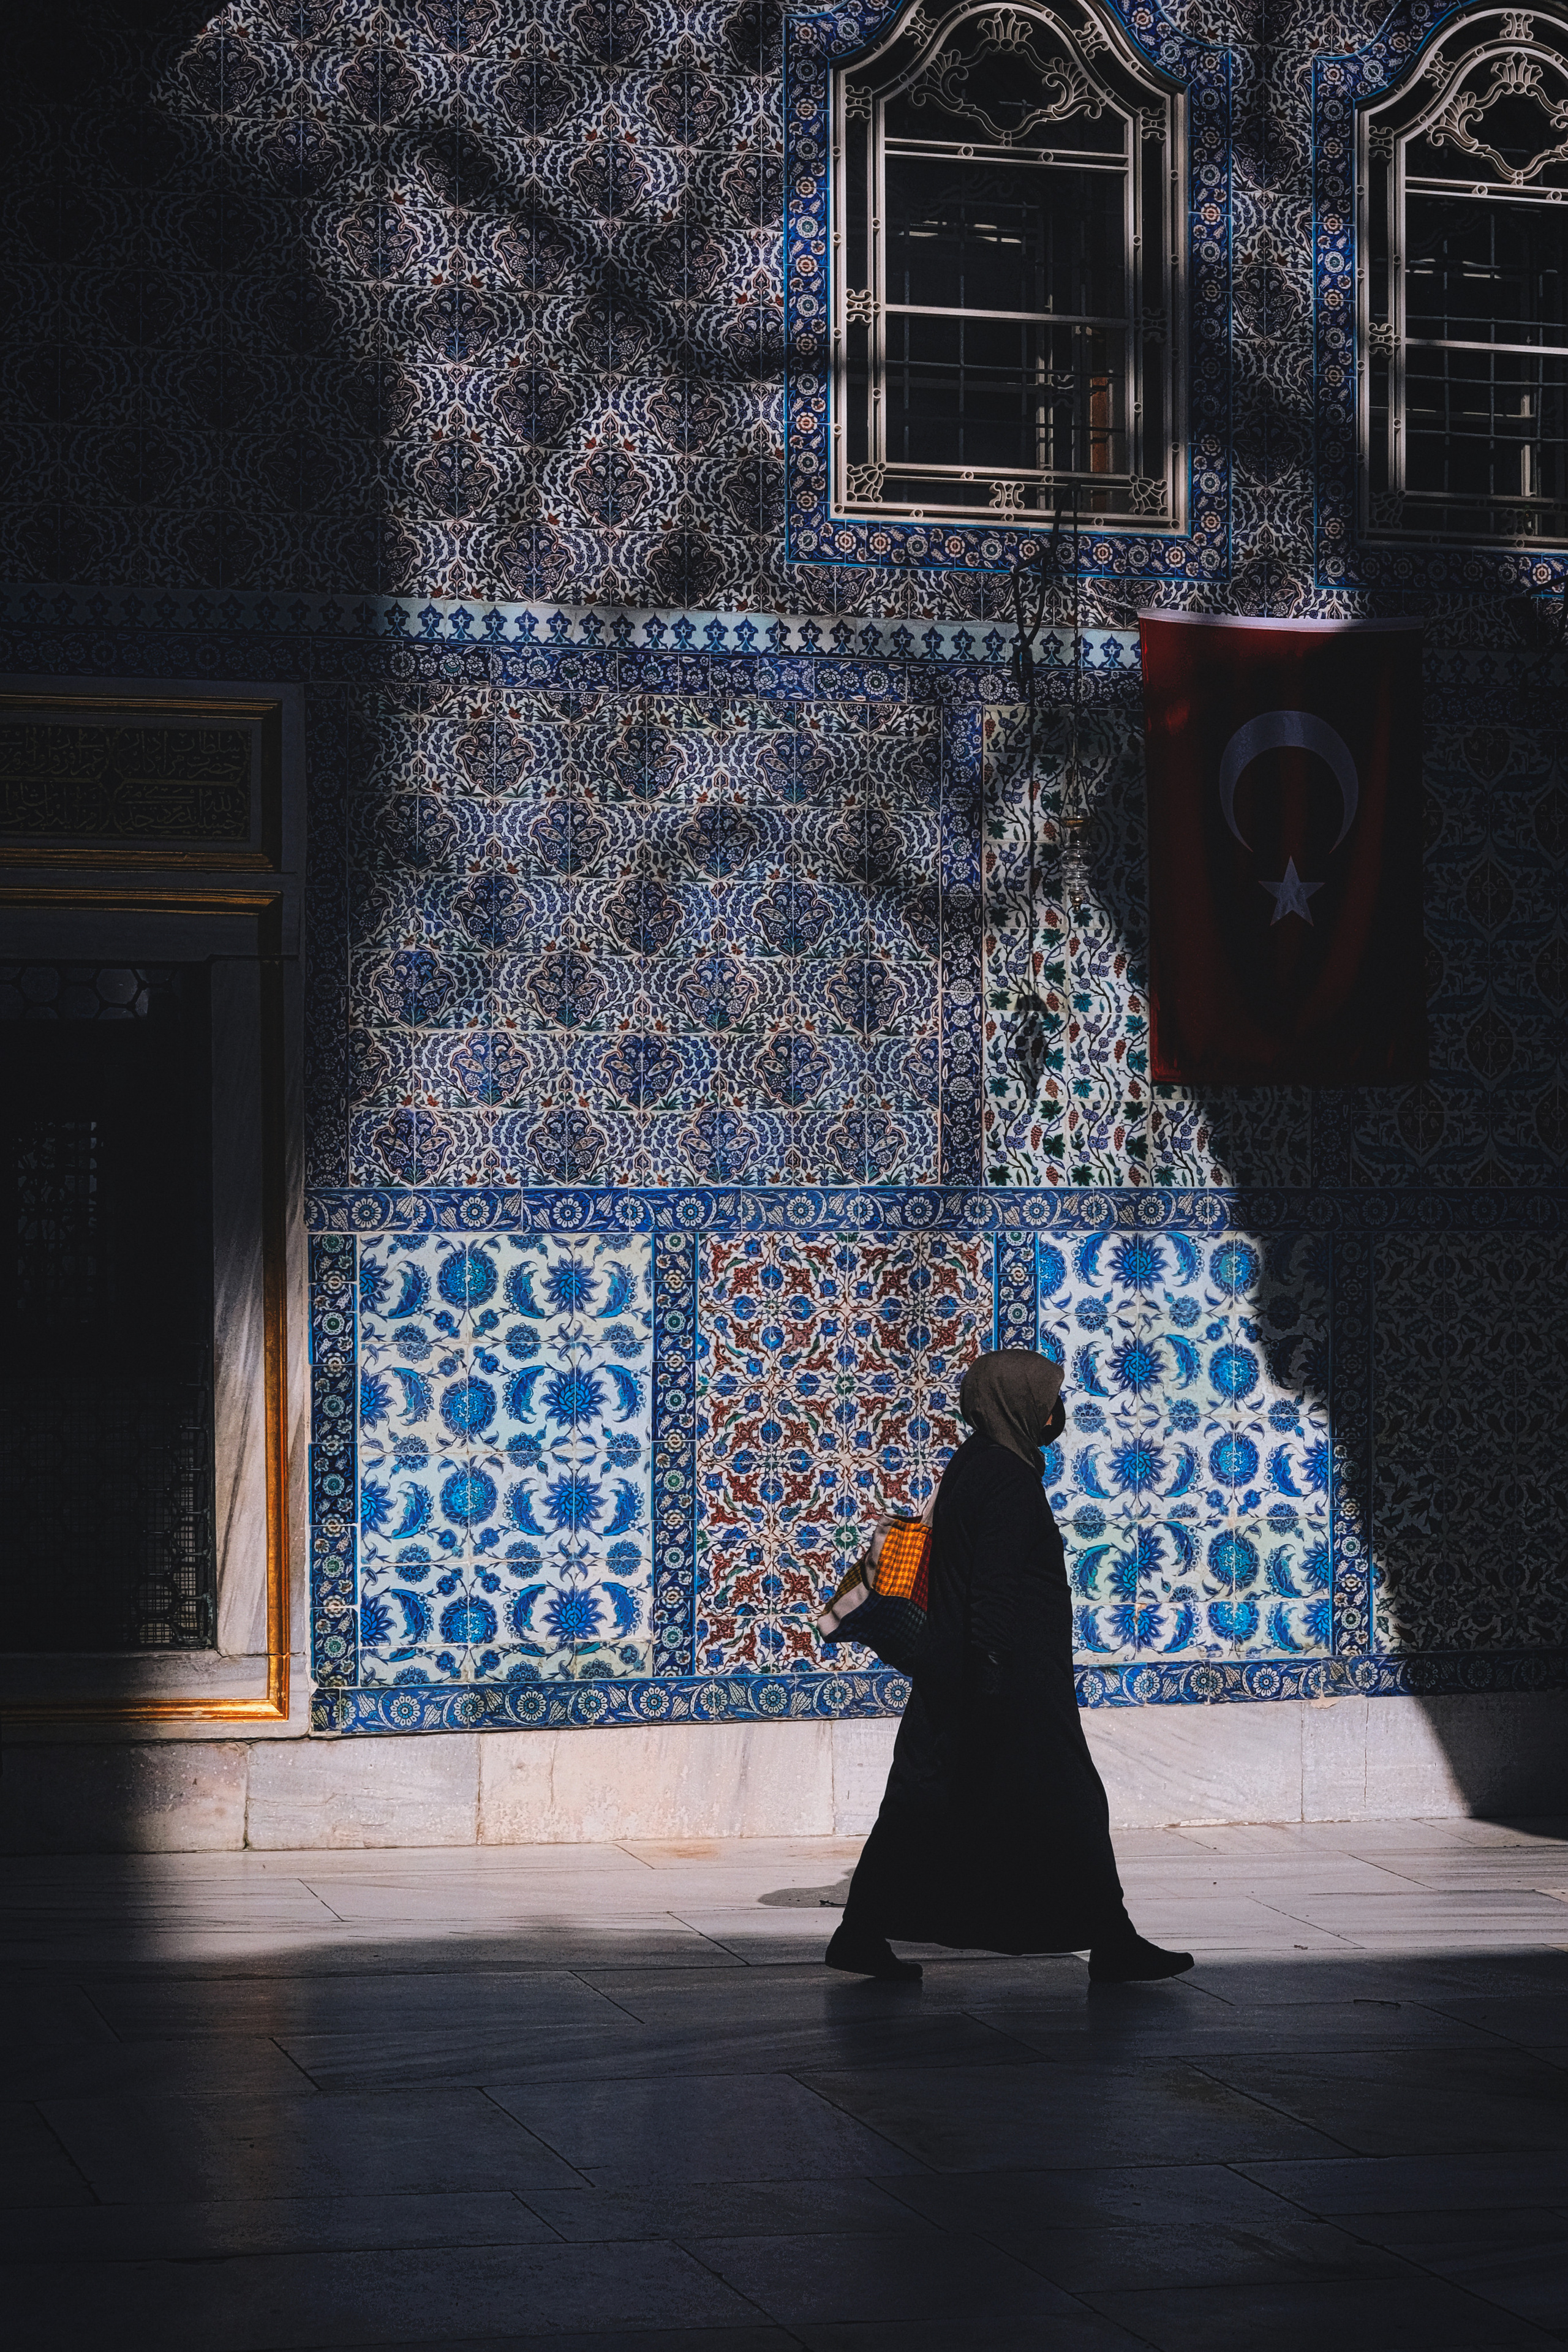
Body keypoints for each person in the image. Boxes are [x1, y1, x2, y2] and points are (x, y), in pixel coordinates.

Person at [826, 1347, 1194, 1986]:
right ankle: (1112, 1942)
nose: (1057, 1412)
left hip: (962, 1674)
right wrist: (993, 1680)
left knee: (921, 1805)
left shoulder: (975, 1464)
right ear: (1019, 1404)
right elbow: (992, 1590)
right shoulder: (1007, 1480)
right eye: (1049, 1399)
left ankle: (861, 1932)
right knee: (1071, 1804)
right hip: (1009, 1684)